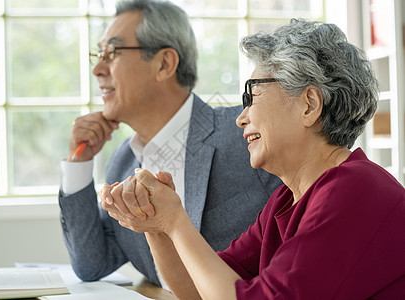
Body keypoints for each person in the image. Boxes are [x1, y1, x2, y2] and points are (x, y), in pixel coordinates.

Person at [101, 19, 405, 299]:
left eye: (252, 97)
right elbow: (198, 290)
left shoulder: (355, 190)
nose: (240, 118)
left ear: (309, 105)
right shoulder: (285, 200)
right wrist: (157, 223)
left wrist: (175, 220)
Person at [58, 0, 282, 287]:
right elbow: (91, 264)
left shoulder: (243, 133)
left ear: (164, 64)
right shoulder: (124, 161)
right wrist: (78, 166)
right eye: (98, 54)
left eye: (111, 52)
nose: (98, 69)